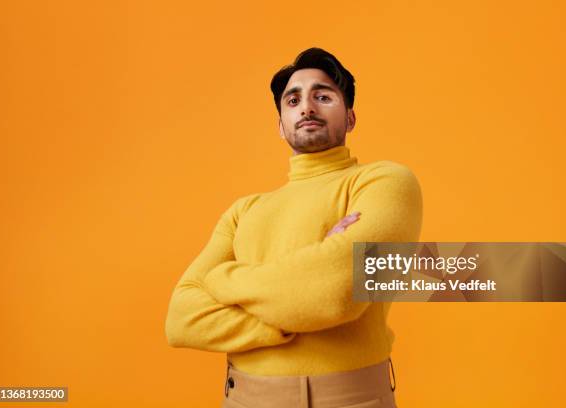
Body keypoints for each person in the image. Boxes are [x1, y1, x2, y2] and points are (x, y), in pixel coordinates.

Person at [165, 47, 422, 408]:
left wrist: (224, 277)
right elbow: (181, 319)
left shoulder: (382, 182)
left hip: (350, 399)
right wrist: (288, 315)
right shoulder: (244, 211)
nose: (307, 108)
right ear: (280, 124)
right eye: (293, 99)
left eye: (323, 96)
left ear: (350, 118)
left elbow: (335, 294)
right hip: (243, 399)